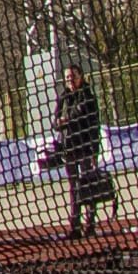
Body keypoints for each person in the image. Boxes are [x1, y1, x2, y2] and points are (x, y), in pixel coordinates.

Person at [46, 61, 109, 240]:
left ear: (80, 77)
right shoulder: (64, 97)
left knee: (88, 185)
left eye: (73, 77)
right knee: (74, 187)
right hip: (70, 148)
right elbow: (56, 120)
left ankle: (90, 224)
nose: (70, 80)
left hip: (85, 147)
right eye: (67, 78)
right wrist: (59, 123)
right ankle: (74, 225)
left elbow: (89, 121)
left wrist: (95, 151)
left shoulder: (87, 96)